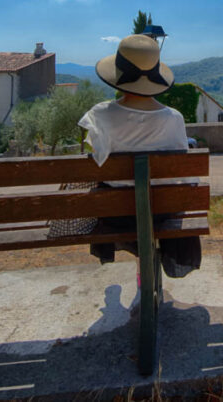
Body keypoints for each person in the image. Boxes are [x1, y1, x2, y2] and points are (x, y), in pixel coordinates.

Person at [77, 33, 201, 278]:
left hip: (117, 214)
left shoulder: (99, 115)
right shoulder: (174, 118)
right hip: (162, 213)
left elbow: (95, 158)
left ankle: (141, 271)